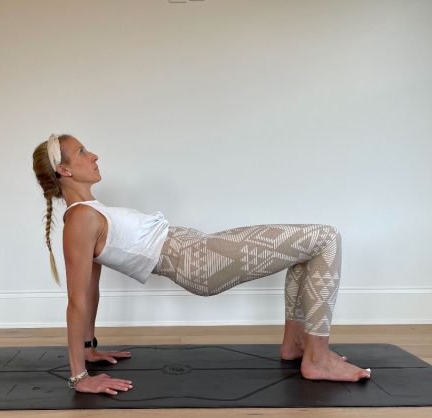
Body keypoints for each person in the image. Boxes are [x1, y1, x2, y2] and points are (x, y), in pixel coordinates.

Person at [32, 133, 371, 395]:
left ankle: (298, 345)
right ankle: (318, 357)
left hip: (200, 248)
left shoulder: (90, 213)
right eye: (81, 153)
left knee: (305, 251)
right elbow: (76, 301)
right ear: (64, 170)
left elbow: (92, 288)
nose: (93, 156)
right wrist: (78, 377)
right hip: (199, 260)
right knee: (324, 237)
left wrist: (90, 348)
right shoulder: (80, 220)